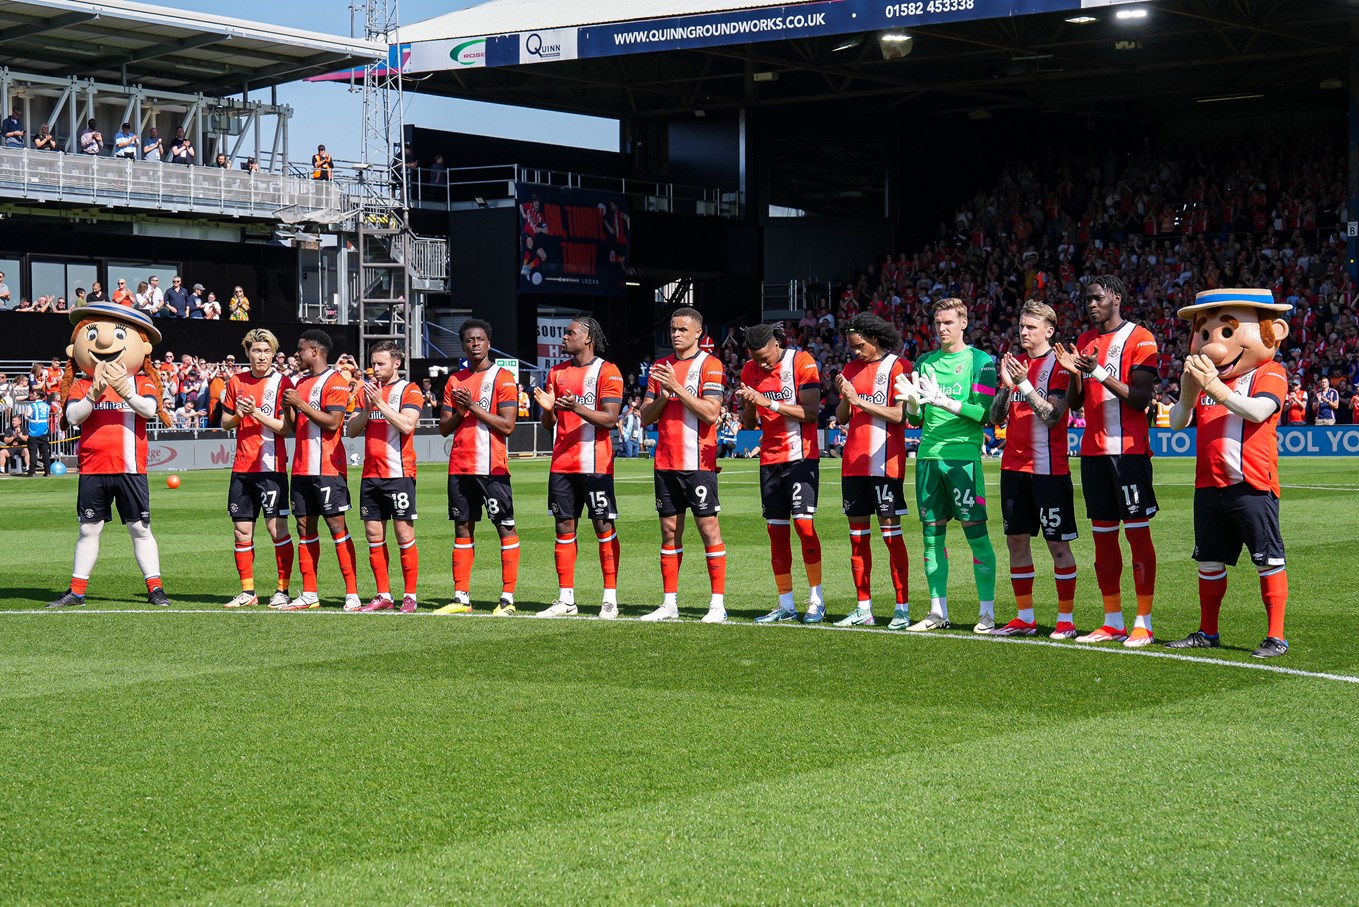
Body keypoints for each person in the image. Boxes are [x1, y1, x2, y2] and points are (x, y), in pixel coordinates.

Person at [1166, 288, 1292, 658]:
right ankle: (1208, 632)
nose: (1212, 346)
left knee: (1267, 559)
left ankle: (1276, 636)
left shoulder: (1270, 372)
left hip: (1252, 483)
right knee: (1208, 561)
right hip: (1208, 484)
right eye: (1203, 334)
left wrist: (1214, 388)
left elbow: (1257, 411)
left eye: (1225, 333)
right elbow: (1176, 424)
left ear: (1274, 331)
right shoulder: (1205, 380)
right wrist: (1189, 394)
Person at [1052, 274, 1160, 647]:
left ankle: (1143, 621)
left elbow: (1141, 398)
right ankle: (1112, 619)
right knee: (1103, 541)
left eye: (1097, 298)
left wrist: (1096, 370)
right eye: (1087, 299)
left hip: (1128, 453)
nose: (1091, 304)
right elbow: (1078, 403)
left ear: (1116, 297)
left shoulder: (1140, 338)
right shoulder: (1084, 341)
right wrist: (1074, 375)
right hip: (1094, 453)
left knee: (1137, 536)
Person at [47, 303, 173, 609]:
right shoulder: (82, 383)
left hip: (130, 468)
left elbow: (149, 410)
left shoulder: (141, 381)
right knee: (89, 529)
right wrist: (94, 393)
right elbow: (74, 416)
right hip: (93, 468)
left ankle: (155, 588)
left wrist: (123, 391)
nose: (105, 344)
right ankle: (77, 591)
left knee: (140, 528)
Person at [895, 298, 999, 633]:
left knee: (976, 536)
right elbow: (917, 417)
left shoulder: (981, 362)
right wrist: (912, 405)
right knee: (931, 537)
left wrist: (947, 401)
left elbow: (985, 414)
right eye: (938, 323)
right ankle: (937, 612)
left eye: (949, 323)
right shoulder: (924, 362)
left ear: (964, 323)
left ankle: (987, 612)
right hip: (927, 458)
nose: (942, 329)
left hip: (963, 458)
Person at [987, 300, 1080, 638]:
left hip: (1049, 470)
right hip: (1013, 466)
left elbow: (1053, 416)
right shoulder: (1014, 364)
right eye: (1021, 326)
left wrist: (1024, 384)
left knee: (1058, 545)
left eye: (1030, 327)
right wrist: (1006, 386)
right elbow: (996, 418)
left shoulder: (1059, 365)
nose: (1023, 332)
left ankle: (1066, 620)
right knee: (1016, 541)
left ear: (1049, 331)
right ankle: (1024, 617)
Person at [638, 307, 728, 622]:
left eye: (682, 330)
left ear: (697, 333)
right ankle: (669, 604)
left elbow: (710, 413)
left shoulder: (711, 365)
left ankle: (717, 604)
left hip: (699, 460)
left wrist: (676, 389)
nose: (676, 334)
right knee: (668, 530)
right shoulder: (660, 367)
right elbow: (645, 416)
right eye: (673, 330)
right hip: (665, 461)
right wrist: (663, 397)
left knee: (707, 528)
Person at [532, 317, 624, 618]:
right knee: (563, 527)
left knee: (603, 526)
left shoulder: (607, 371)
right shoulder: (557, 373)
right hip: (561, 463)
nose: (564, 338)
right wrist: (548, 410)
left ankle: (609, 597)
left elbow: (610, 419)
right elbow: (550, 422)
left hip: (595, 463)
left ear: (588, 338)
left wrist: (576, 407)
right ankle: (566, 599)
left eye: (570, 333)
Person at [738, 322, 825, 623]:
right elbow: (748, 424)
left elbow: (812, 413)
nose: (761, 363)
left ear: (776, 343)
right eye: (755, 357)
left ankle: (816, 599)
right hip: (769, 460)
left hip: (801, 457)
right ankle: (785, 604)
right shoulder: (749, 370)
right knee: (776, 531)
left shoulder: (802, 362)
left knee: (803, 526)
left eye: (764, 356)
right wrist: (749, 404)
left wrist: (768, 402)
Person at [436, 319, 520, 615]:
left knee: (504, 527)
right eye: (469, 340)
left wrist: (472, 407)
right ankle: (461, 598)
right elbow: (444, 428)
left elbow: (507, 426)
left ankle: (507, 598)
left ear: (488, 343)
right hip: (460, 466)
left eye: (480, 339)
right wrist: (460, 412)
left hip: (492, 467)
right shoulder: (454, 380)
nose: (474, 344)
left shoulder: (504, 377)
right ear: (463, 345)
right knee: (462, 527)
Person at [833, 313, 911, 628]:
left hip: (885, 463)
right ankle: (863, 608)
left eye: (859, 346)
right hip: (853, 464)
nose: (855, 352)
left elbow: (900, 416)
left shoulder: (899, 367)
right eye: (851, 347)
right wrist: (844, 394)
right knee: (857, 538)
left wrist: (858, 400)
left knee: (891, 536)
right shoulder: (851, 369)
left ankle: (902, 608)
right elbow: (841, 416)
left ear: (875, 338)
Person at [278, 329, 360, 611]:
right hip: (301, 468)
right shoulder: (300, 383)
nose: (296, 355)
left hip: (327, 467)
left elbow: (333, 422)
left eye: (300, 350)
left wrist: (300, 404)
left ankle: (352, 593)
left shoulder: (336, 380)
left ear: (315, 351)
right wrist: (290, 405)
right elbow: (291, 426)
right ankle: (310, 593)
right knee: (304, 527)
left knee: (337, 527)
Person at [220, 328, 295, 609]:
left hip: (271, 467)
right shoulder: (235, 381)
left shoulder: (283, 382)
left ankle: (282, 590)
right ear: (247, 352)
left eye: (266, 351)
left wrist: (256, 413)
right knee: (241, 532)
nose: (261, 356)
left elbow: (286, 429)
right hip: (241, 468)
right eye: (256, 351)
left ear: (273, 354)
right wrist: (239, 414)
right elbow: (225, 422)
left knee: (277, 530)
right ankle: (248, 592)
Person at [347, 340, 423, 612]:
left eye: (381, 363)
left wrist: (380, 402)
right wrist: (368, 407)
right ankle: (383, 595)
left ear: (396, 363)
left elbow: (406, 424)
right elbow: (352, 431)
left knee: (404, 534)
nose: (375, 369)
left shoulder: (409, 390)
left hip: (399, 474)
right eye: (373, 363)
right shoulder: (364, 392)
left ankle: (410, 595)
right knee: (373, 534)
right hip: (370, 474)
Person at [24, 391, 52, 476]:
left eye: (34, 394)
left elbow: (27, 416)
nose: (32, 395)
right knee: (45, 453)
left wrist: (25, 414)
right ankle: (47, 471)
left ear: (38, 396)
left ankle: (32, 471)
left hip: (34, 432)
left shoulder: (32, 406)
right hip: (44, 432)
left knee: (33, 453)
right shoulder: (47, 406)